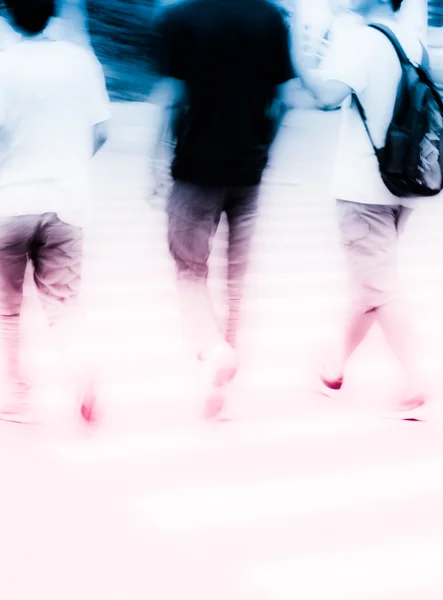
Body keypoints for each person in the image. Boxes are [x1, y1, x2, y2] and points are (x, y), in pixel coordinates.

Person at [152, 0, 296, 419]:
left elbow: (173, 101)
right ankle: (224, 385)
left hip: (195, 170)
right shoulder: (271, 18)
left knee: (189, 271)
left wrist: (155, 162)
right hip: (248, 170)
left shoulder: (181, 17)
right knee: (236, 280)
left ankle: (214, 352)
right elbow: (284, 101)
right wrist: (265, 151)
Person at [290, 0, 429, 417]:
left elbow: (325, 96)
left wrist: (299, 55)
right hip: (403, 183)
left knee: (380, 286)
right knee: (369, 284)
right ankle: (335, 367)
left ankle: (416, 378)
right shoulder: (413, 40)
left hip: (363, 186)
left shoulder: (364, 40)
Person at [0, 0, 110, 423]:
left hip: (8, 202)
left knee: (8, 309)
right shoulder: (81, 63)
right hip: (65, 204)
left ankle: (18, 394)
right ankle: (81, 371)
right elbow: (101, 131)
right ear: (53, 11)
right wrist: (70, 166)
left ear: (8, 15)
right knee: (62, 306)